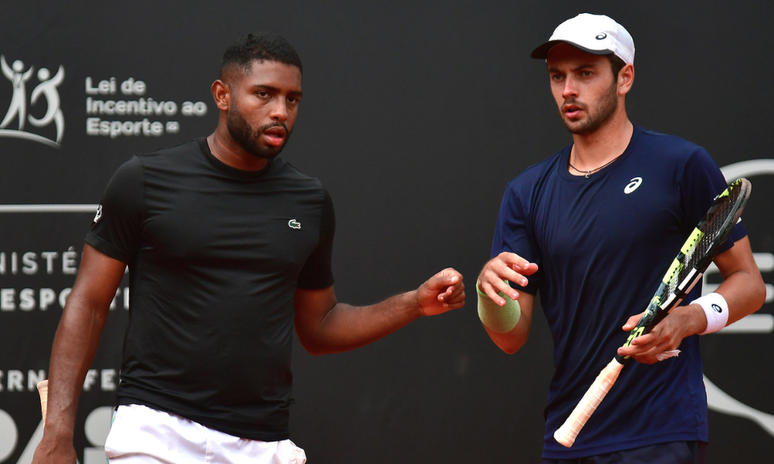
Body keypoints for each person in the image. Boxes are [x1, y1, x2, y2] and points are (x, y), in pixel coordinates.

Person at [32, 32, 465, 464]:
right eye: (264, 94)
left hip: (261, 442)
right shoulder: (144, 180)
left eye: (292, 99)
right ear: (222, 95)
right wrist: (56, 432)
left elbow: (320, 327)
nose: (280, 111)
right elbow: (87, 304)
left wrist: (413, 304)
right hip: (156, 431)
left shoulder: (308, 201)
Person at [476, 13, 765, 464]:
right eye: (557, 77)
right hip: (569, 433)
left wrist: (686, 320)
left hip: (660, 430)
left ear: (624, 77)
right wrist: (488, 294)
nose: (568, 90)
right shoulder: (525, 193)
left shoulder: (681, 165)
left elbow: (749, 283)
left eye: (585, 74)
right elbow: (510, 337)